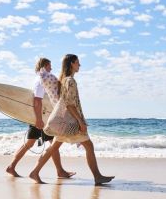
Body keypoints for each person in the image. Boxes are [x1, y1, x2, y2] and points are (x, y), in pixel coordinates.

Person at [29, 54, 115, 185]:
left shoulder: (64, 80)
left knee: (53, 148)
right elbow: (69, 104)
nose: (79, 65)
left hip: (64, 121)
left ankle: (35, 172)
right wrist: (80, 121)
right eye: (77, 63)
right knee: (89, 146)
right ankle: (97, 177)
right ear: (71, 64)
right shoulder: (70, 81)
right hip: (70, 121)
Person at [6, 58, 75, 179]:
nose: (51, 68)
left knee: (38, 143)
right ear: (45, 65)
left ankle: (12, 166)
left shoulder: (39, 78)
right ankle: (57, 171)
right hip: (41, 118)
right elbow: (37, 100)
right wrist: (38, 119)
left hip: (42, 116)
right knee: (52, 143)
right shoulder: (41, 79)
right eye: (50, 66)